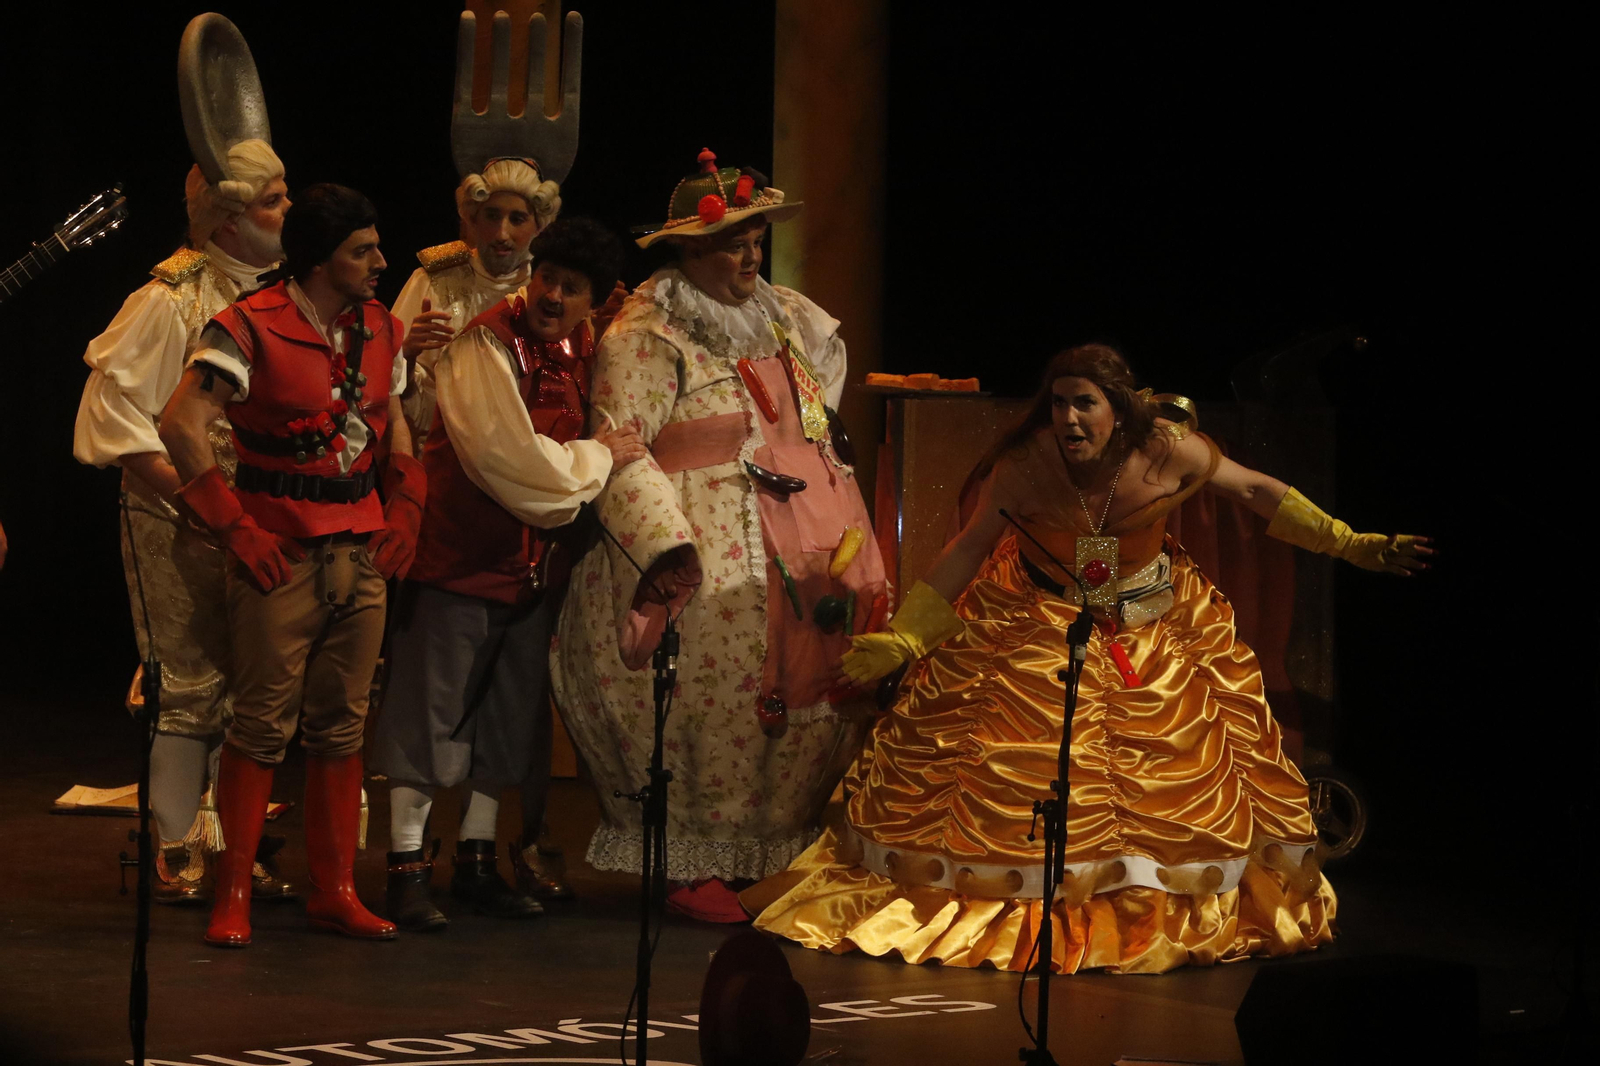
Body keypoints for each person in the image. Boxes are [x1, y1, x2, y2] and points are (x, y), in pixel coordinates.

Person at [748, 343, 1432, 974]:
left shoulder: (1168, 452)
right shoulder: (1027, 466)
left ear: (1119, 409)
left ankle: (1144, 914)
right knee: (1020, 758)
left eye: (1086, 404)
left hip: (1152, 615)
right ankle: (1032, 911)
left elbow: (1254, 491)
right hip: (1039, 612)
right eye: (1059, 402)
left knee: (1174, 763)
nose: (1070, 418)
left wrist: (1349, 542)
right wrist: (906, 638)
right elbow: (966, 548)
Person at [550, 149, 888, 923]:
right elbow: (622, 442)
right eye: (734, 241)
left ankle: (765, 850)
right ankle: (683, 855)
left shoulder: (783, 316)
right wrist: (667, 548)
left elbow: (813, 422)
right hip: (703, 539)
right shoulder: (647, 330)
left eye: (755, 238)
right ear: (690, 249)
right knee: (710, 683)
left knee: (799, 683)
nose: (750, 254)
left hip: (796, 546)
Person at [159, 183, 422, 947]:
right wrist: (236, 528)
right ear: (317, 258)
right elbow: (181, 424)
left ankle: (334, 889)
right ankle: (232, 890)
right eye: (361, 251)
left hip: (360, 547)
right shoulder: (249, 326)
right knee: (261, 723)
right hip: (283, 552)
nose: (379, 262)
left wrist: (405, 506)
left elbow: (395, 420)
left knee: (342, 724)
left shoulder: (380, 327)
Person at [371, 217, 644, 931]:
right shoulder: (486, 342)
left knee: (508, 719)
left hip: (532, 574)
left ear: (593, 300)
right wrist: (596, 460)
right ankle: (406, 870)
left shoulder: (587, 347)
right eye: (547, 277)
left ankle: (478, 861)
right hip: (460, 558)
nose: (553, 294)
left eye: (572, 287)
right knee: (430, 717)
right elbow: (510, 464)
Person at [72, 138, 294, 905]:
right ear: (229, 221)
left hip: (258, 522)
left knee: (252, 688)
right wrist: (197, 500)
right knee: (188, 681)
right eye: (271, 200)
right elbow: (112, 417)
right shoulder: (169, 300)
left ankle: (232, 846)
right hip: (175, 516)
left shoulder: (284, 298)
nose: (287, 210)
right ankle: (174, 845)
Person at [392, 157, 562, 454]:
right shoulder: (433, 278)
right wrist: (406, 354)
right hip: (442, 455)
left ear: (539, 226)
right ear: (472, 218)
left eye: (517, 219)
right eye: (492, 216)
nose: (502, 234)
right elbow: (389, 391)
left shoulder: (551, 289)